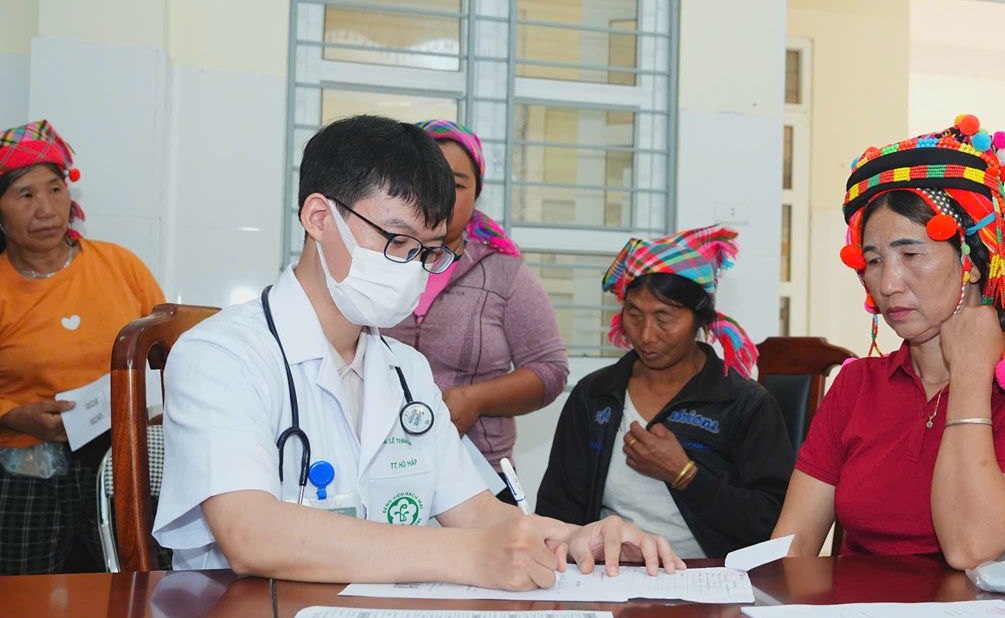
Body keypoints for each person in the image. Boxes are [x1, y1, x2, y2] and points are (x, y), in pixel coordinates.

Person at [153, 115, 682, 588]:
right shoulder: (221, 354)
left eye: (428, 252)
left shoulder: (405, 370)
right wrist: (468, 556)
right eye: (397, 242)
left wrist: (575, 537)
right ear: (319, 217)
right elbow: (251, 534)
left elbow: (474, 512)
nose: (412, 269)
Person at [772, 114, 1005, 570]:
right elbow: (792, 546)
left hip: (988, 615)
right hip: (861, 612)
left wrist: (970, 375)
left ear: (972, 262)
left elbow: (971, 548)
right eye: (873, 261)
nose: (888, 284)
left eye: (911, 254)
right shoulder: (856, 386)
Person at [537, 226, 792, 559]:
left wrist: (685, 475)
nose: (646, 335)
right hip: (610, 572)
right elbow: (558, 510)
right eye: (634, 314)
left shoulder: (743, 404)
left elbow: (772, 522)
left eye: (665, 318)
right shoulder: (595, 395)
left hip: (708, 575)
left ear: (701, 319)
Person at [0, 120, 164, 575]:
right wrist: (11, 415)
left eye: (55, 190)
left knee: (132, 594)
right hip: (23, 473)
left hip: (123, 464)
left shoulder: (119, 265)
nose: (46, 209)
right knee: (23, 603)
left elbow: (170, 348)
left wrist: (164, 407)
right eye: (25, 195)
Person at [384, 120, 567, 485]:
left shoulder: (504, 273)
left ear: (476, 193)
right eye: (427, 179)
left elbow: (550, 369)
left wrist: (477, 399)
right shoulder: (376, 260)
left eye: (456, 184)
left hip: (480, 474)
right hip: (379, 466)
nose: (442, 194)